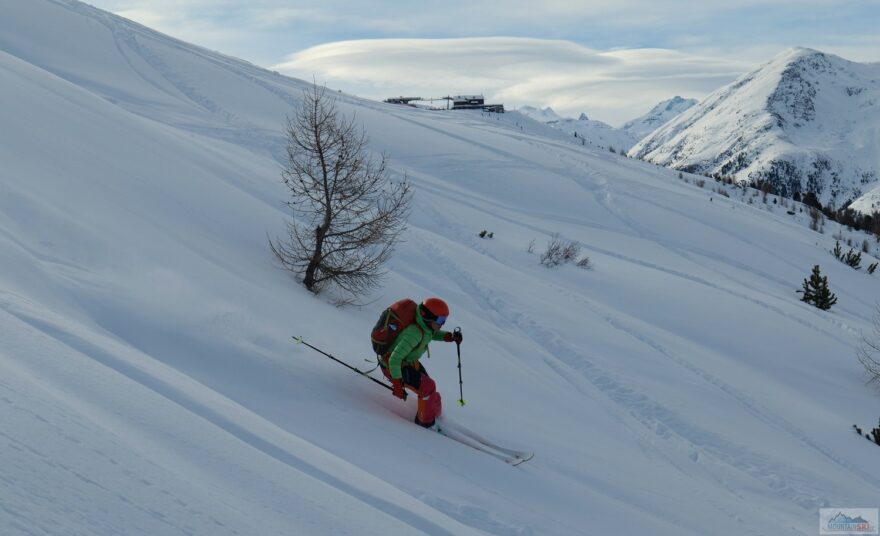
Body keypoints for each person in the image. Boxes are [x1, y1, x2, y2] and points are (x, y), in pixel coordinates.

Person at [378, 297, 463, 428]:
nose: (442, 324)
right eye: (440, 320)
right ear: (428, 317)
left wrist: (448, 336)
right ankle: (426, 423)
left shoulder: (425, 327)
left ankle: (437, 417)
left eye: (444, 320)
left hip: (408, 362)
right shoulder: (414, 333)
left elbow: (431, 334)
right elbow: (394, 359)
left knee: (432, 391)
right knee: (428, 387)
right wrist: (397, 383)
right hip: (393, 367)